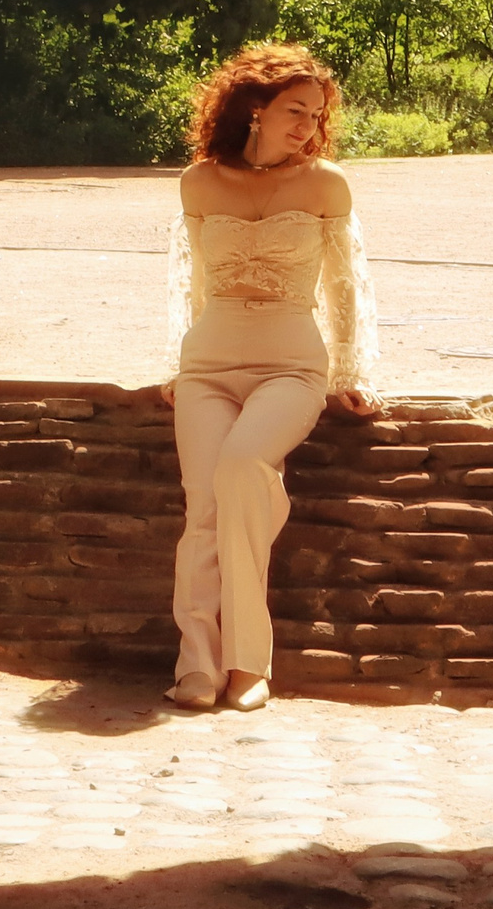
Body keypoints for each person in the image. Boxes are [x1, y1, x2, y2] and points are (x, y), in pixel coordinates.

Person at [162, 43, 378, 712]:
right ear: (254, 107)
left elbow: (346, 287)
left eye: (316, 116)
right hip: (207, 364)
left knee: (242, 466)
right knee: (205, 508)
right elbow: (187, 280)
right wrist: (177, 361)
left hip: (291, 363)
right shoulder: (199, 182)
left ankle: (249, 663)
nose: (308, 127)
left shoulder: (326, 183)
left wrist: (351, 371)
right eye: (295, 111)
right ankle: (197, 666)